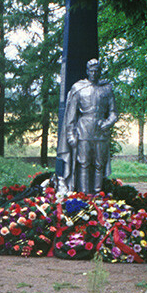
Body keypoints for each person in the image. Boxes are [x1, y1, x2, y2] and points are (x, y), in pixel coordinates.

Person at [58, 58, 118, 194]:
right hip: (83, 130)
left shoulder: (107, 89)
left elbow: (114, 112)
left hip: (101, 131)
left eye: (96, 70)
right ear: (87, 71)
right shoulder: (78, 88)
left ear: (100, 71)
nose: (94, 73)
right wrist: (70, 135)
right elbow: (71, 116)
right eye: (91, 71)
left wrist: (108, 123)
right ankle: (84, 195)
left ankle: (97, 194)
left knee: (99, 164)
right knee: (83, 163)